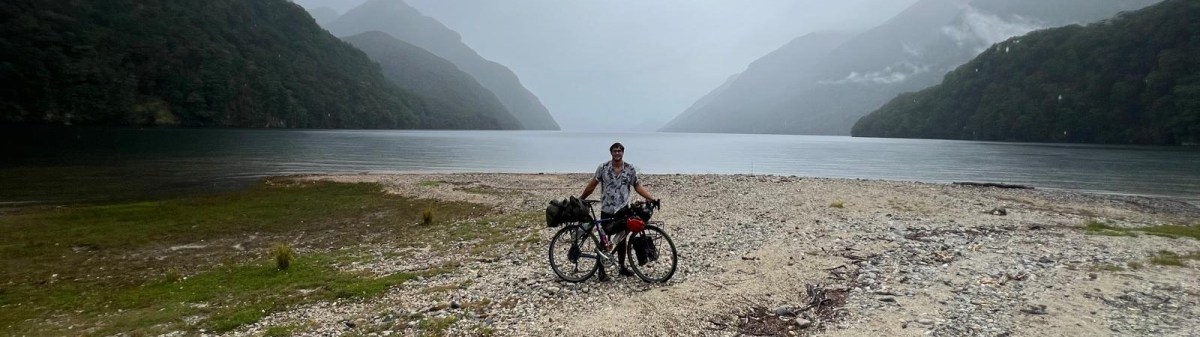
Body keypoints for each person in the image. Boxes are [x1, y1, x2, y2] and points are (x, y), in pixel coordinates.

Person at [580, 142, 658, 281]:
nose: (617, 153)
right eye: (615, 151)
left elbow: (637, 185)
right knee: (605, 239)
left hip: (623, 209)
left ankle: (622, 267)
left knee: (622, 239)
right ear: (611, 153)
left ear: (623, 153)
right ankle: (601, 270)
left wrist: (650, 198)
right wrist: (581, 198)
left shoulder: (629, 169)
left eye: (619, 151)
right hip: (607, 209)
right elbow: (592, 185)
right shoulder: (603, 168)